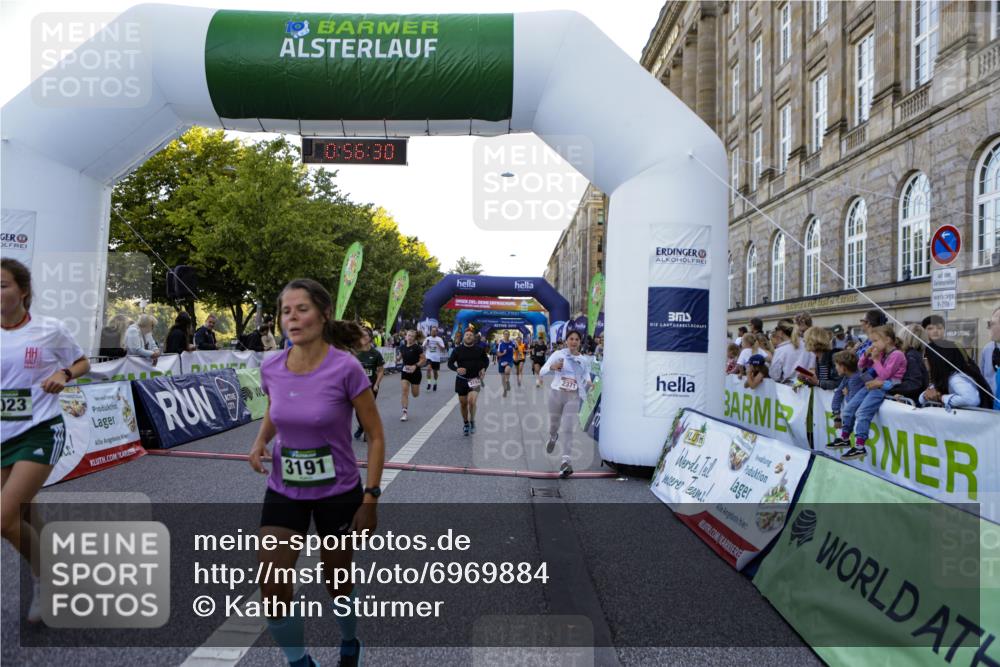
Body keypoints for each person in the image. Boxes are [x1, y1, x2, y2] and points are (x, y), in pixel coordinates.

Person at [248, 279, 383, 667]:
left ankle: (349, 641)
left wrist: (370, 497)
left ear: (323, 314)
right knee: (272, 585)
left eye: (301, 309)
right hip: (284, 487)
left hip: (337, 491)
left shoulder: (346, 368)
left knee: (337, 582)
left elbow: (375, 435)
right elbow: (276, 407)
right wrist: (261, 440)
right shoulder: (271, 366)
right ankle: (300, 662)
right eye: (285, 311)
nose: (292, 318)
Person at [1, 258, 90, 623]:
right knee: (23, 512)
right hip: (2, 435)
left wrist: (64, 374)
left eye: (2, 285)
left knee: (4, 518)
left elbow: (82, 362)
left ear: (23, 291)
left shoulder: (49, 330)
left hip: (40, 429)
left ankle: (47, 579)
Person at [830, 325, 906, 460]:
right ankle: (845, 438)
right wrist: (866, 355)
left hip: (884, 387)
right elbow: (860, 366)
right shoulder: (882, 353)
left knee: (862, 413)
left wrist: (876, 360)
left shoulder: (897, 355)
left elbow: (884, 376)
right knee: (848, 409)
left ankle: (860, 446)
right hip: (873, 385)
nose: (873, 345)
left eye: (875, 341)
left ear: (887, 340)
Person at [539, 330, 592, 478]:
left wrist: (589, 382)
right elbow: (542, 371)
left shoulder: (583, 359)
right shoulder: (558, 354)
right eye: (571, 339)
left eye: (576, 339)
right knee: (554, 425)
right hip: (556, 394)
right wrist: (553, 367)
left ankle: (565, 462)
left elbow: (586, 373)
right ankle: (553, 436)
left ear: (580, 342)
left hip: (573, 396)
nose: (574, 342)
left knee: (568, 427)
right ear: (566, 341)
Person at [920, 341, 995, 411]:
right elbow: (921, 399)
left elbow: (972, 399)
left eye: (926, 357)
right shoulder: (943, 377)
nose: (924, 361)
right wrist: (926, 395)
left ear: (936, 360)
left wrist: (942, 398)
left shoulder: (956, 378)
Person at [447, 330, 491, 435]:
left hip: (474, 379)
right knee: (463, 404)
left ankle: (472, 421)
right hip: (461, 380)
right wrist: (457, 369)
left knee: (472, 402)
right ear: (464, 337)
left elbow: (486, 361)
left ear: (473, 338)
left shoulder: (479, 350)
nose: (469, 336)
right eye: (467, 335)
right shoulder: (457, 350)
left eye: (471, 335)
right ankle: (466, 423)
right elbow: (450, 363)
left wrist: (483, 369)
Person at [827, 350, 864, 443]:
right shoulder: (847, 377)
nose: (835, 368)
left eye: (836, 365)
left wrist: (847, 394)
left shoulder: (856, 378)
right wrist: (837, 415)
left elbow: (852, 403)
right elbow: (838, 393)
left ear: (843, 367)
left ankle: (846, 439)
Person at [354, 328, 384, 441]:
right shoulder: (355, 352)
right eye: (360, 335)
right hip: (357, 386)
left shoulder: (376, 353)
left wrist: (377, 384)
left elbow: (381, 370)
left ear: (370, 338)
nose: (362, 337)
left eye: (365, 335)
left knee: (368, 408)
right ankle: (362, 426)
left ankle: (367, 430)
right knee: (358, 410)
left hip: (371, 385)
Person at [889, 324, 929, 403]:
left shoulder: (911, 356)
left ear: (905, 338)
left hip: (912, 403)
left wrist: (889, 388)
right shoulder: (915, 355)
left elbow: (913, 383)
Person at [397, 330, 425, 421]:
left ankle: (416, 389)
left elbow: (423, 360)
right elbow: (400, 356)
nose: (410, 337)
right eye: (408, 335)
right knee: (404, 391)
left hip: (416, 373)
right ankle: (404, 413)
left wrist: (415, 366)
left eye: (412, 336)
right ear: (406, 336)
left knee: (415, 394)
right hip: (405, 372)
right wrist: (397, 359)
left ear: (414, 338)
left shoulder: (417, 348)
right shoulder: (402, 347)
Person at [979, 306, 1000, 395]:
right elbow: (982, 378)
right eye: (989, 323)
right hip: (989, 401)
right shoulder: (987, 350)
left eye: (992, 323)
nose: (988, 327)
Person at [422, 326, 446, 392]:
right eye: (432, 331)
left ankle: (435, 383)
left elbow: (443, 349)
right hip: (429, 357)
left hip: (436, 358)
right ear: (430, 332)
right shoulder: (427, 339)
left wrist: (438, 345)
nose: (433, 332)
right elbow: (423, 348)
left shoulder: (439, 339)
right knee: (428, 368)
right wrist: (426, 344)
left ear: (437, 332)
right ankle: (429, 383)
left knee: (435, 372)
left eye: (435, 331)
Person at [496, 331, 516, 397]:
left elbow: (516, 349)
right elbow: (498, 354)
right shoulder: (500, 344)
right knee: (502, 378)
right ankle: (505, 390)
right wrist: (503, 353)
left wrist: (515, 351)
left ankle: (507, 381)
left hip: (509, 361)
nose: (506, 335)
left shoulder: (512, 343)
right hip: (501, 361)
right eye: (505, 334)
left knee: (507, 371)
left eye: (507, 334)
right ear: (503, 335)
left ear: (509, 335)